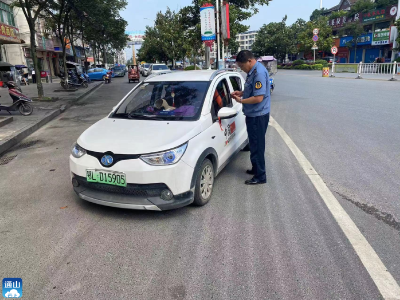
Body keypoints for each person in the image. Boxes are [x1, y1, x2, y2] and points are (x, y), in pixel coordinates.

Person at [231, 50, 270, 185]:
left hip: (258, 116)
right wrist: (241, 93)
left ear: (249, 61)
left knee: (257, 145)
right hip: (253, 114)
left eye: (242, 66)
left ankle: (260, 176)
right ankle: (256, 169)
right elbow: (252, 89)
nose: (242, 69)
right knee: (253, 144)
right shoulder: (253, 71)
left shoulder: (258, 73)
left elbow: (258, 97)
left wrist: (241, 101)